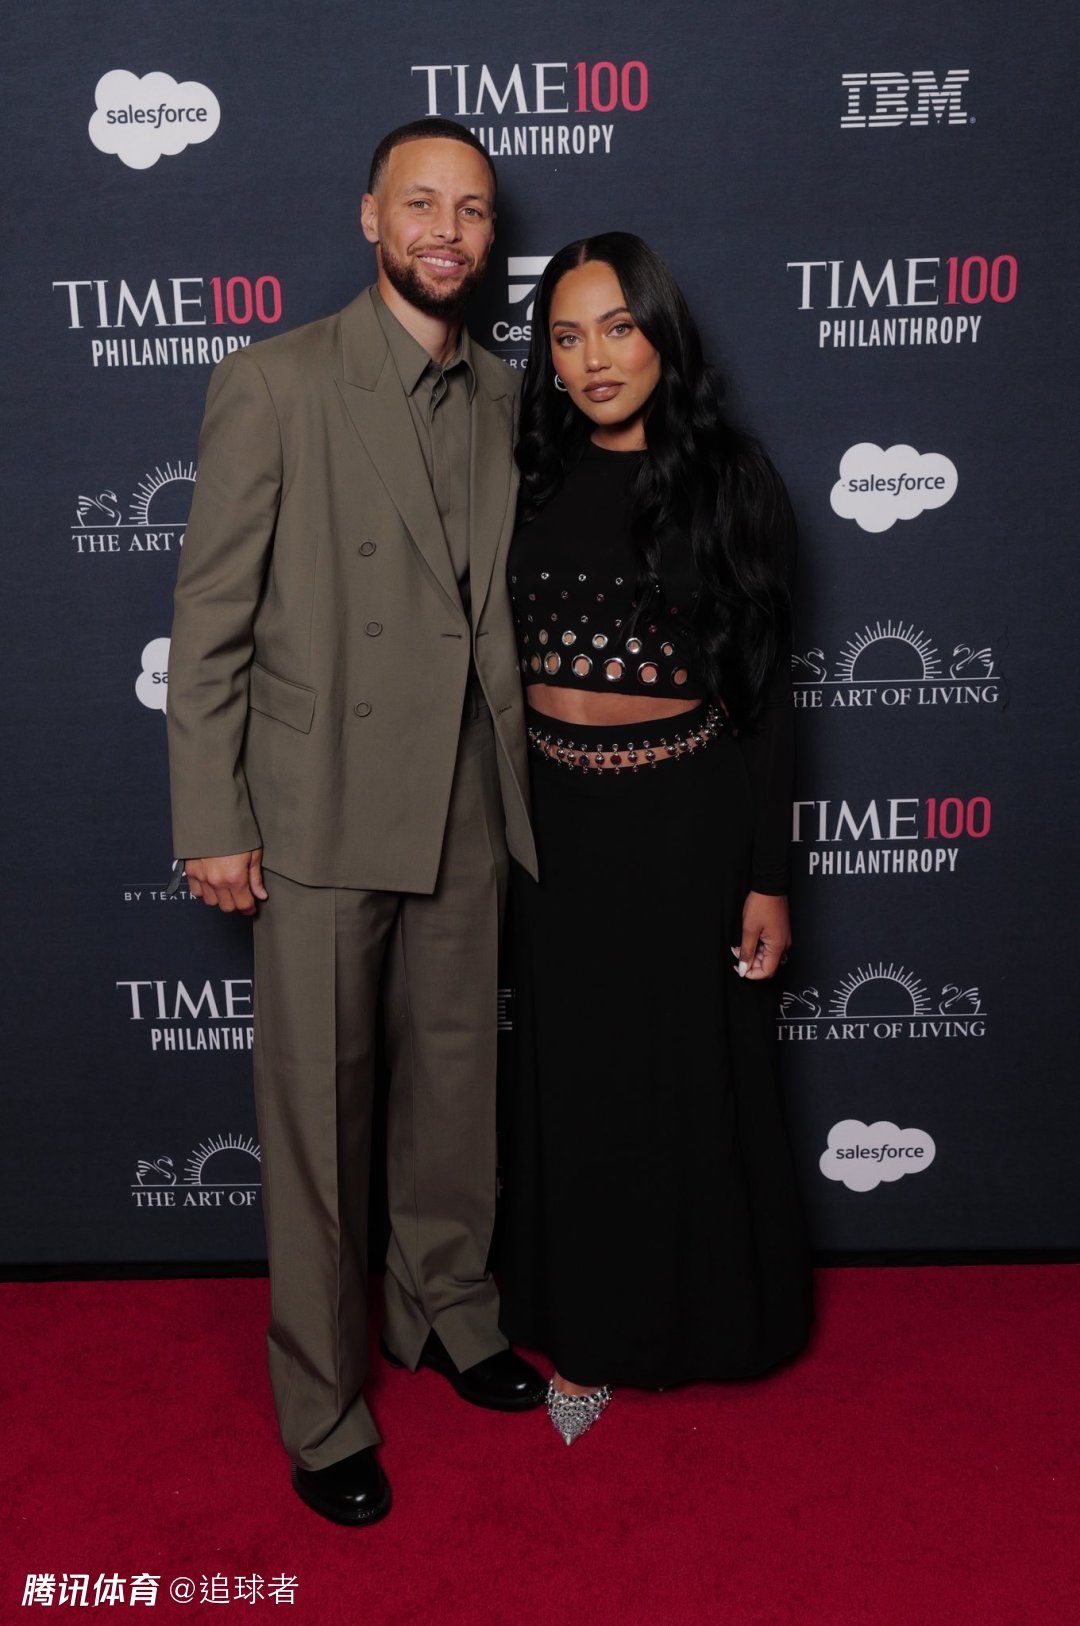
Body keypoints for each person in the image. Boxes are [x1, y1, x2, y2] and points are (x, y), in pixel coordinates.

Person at [166, 119, 546, 1527]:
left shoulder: (505, 393)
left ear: (490, 238)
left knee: (455, 1088)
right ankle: (323, 1403)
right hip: (319, 803)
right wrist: (213, 813)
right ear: (371, 218)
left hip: (464, 796)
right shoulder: (276, 379)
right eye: (422, 203)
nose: (449, 229)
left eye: (474, 210)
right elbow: (209, 619)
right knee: (322, 1124)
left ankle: (445, 1308)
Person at [499, 233, 813, 1444]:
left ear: (662, 336)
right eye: (566, 336)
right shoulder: (524, 474)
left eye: (618, 328)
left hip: (688, 821)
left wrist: (768, 878)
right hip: (553, 828)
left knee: (686, 1076)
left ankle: (706, 1323)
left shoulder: (732, 481)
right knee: (576, 1078)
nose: (594, 359)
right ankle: (582, 1313)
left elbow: (769, 696)